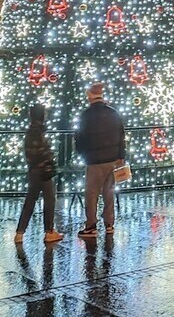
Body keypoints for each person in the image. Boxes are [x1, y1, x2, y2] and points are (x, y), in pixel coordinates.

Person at [74, 82, 125, 239]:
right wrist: (121, 156)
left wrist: (82, 154)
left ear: (90, 97)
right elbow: (121, 135)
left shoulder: (85, 115)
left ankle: (91, 225)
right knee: (108, 191)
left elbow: (79, 138)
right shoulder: (113, 113)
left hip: (94, 159)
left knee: (92, 193)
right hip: (112, 159)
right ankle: (109, 223)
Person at [14, 105, 63, 244]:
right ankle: (49, 232)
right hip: (43, 171)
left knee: (30, 201)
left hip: (33, 170)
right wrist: (50, 158)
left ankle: (20, 232)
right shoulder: (38, 131)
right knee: (49, 201)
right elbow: (42, 151)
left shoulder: (30, 131)